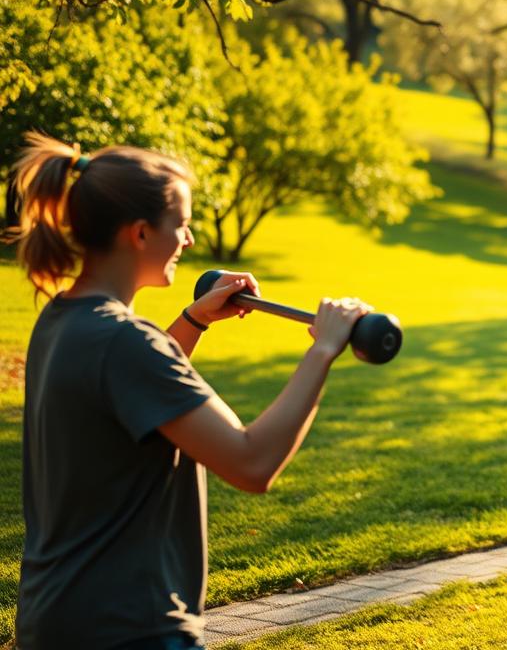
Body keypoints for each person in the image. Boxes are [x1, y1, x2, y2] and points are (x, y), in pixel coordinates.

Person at [9, 133, 368, 650]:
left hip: (56, 618)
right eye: (180, 224)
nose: (189, 239)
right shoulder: (124, 343)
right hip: (128, 627)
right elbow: (251, 463)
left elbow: (133, 391)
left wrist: (193, 321)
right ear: (139, 234)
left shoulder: (64, 319)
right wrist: (323, 351)